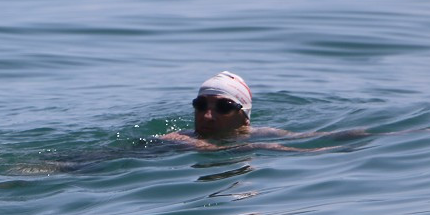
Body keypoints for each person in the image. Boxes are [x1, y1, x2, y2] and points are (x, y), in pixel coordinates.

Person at [158, 71, 369, 151]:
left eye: (223, 107)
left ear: (245, 116)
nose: (208, 116)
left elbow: (305, 138)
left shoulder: (261, 134)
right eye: (201, 105)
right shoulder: (177, 138)